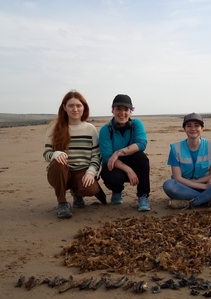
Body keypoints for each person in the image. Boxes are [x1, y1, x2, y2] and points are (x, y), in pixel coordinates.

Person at [43, 90, 106, 219]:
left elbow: (96, 155)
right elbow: (46, 153)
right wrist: (54, 154)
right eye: (71, 105)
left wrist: (91, 172)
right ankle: (62, 202)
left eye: (79, 105)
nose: (75, 109)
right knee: (58, 164)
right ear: (64, 107)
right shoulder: (55, 127)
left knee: (91, 189)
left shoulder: (90, 129)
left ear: (84, 108)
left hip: (81, 170)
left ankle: (77, 194)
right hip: (61, 171)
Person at [163, 113, 211, 209]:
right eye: (189, 126)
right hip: (184, 186)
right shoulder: (175, 148)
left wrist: (204, 184)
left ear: (202, 128)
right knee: (168, 185)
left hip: (207, 183)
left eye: (197, 125)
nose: (193, 128)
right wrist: (204, 187)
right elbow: (178, 178)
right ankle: (208, 199)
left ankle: (193, 202)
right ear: (184, 129)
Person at [99, 94, 151, 211]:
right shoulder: (105, 130)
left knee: (142, 158)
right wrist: (129, 170)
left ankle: (143, 196)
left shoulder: (136, 124)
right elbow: (108, 158)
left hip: (132, 160)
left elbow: (141, 144)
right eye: (118, 109)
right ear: (112, 110)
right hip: (115, 165)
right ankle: (117, 191)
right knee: (110, 175)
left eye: (126, 109)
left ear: (131, 111)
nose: (122, 113)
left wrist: (118, 152)